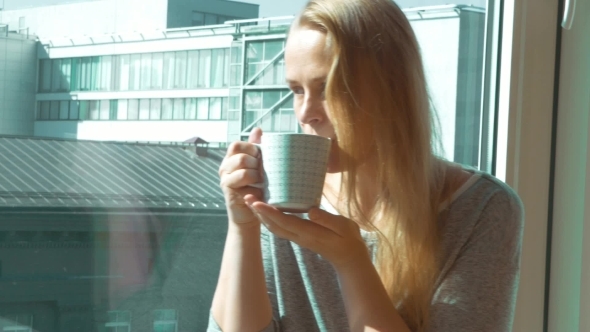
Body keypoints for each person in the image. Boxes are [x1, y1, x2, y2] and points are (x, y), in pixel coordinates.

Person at [208, 0, 524, 331]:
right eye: (297, 91)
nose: (305, 113)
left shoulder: (481, 210)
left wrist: (351, 262)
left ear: (391, 89)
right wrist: (242, 226)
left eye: (329, 89)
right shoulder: (284, 198)